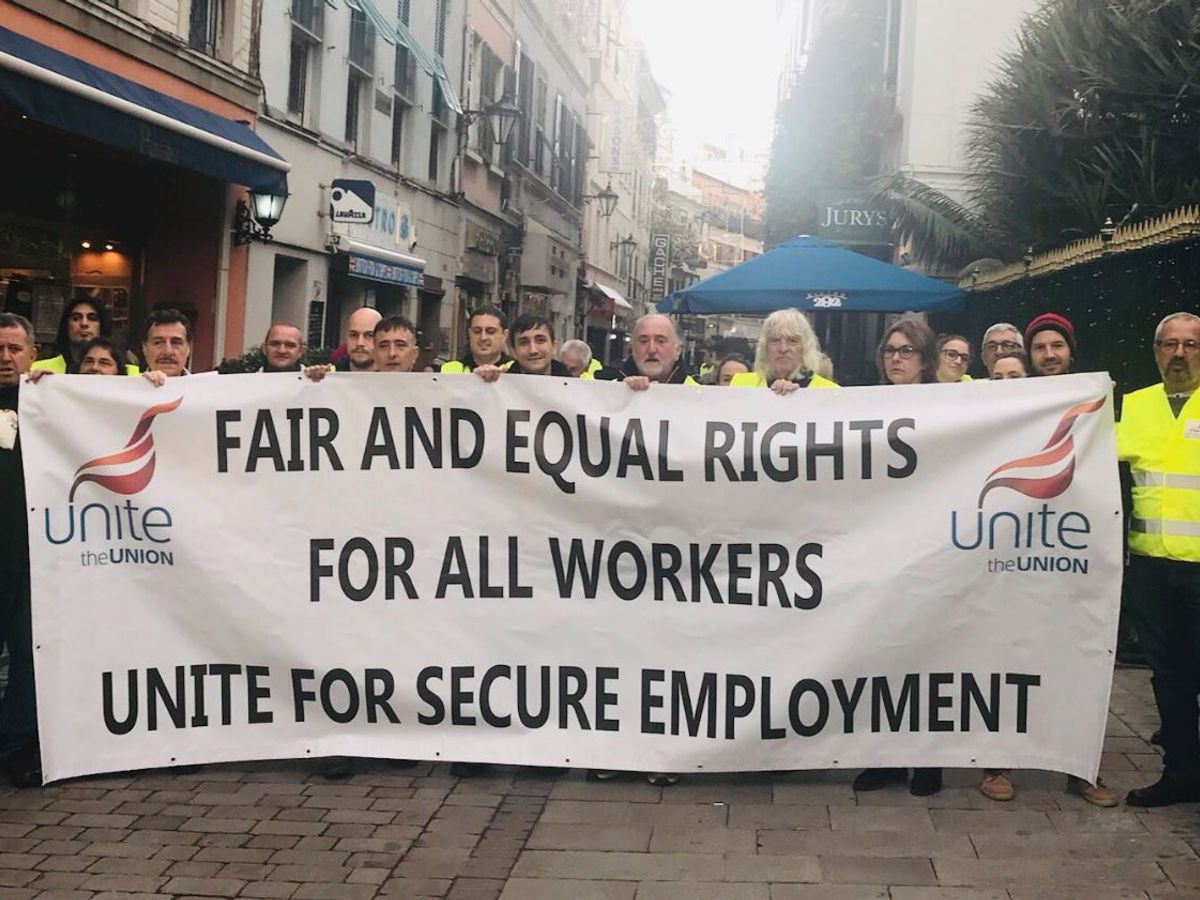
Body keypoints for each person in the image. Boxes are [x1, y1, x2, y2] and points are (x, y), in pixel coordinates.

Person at [853, 317, 941, 797]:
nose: (896, 358)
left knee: (924, 655)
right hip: (878, 550)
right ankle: (883, 757)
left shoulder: (951, 407)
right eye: (890, 350)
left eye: (907, 350)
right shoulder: (866, 404)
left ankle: (926, 759)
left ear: (925, 358)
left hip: (930, 549)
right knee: (879, 653)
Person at [1118, 312, 1200, 807]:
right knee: (1169, 677)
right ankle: (1181, 773)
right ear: (1155, 352)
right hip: (1151, 567)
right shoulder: (1137, 405)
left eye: (1190, 344)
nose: (1179, 354)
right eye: (1170, 345)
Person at [0, 313, 40, 787]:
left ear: (32, 354)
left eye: (15, 349)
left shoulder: (50, 403)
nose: (6, 357)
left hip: (33, 559)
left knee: (29, 657)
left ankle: (15, 747)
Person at [729, 309, 836, 392]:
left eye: (792, 341)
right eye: (775, 340)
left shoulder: (830, 391)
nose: (783, 349)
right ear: (764, 347)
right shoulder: (740, 385)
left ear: (805, 347)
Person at [30, 296, 137, 375]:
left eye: (92, 318)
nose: (84, 324)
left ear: (103, 325)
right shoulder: (36, 369)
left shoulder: (133, 374)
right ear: (66, 325)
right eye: (76, 318)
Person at [603, 314, 695, 391]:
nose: (651, 349)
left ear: (677, 350)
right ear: (632, 349)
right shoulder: (607, 394)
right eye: (643, 341)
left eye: (660, 341)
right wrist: (621, 394)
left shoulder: (698, 396)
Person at [475, 314, 572, 380]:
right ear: (513, 351)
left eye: (540, 340)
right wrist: (479, 382)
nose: (533, 350)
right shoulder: (498, 384)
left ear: (554, 346)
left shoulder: (576, 390)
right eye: (524, 343)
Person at [442, 305, 512, 373]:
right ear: (469, 333)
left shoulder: (515, 369)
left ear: (505, 335)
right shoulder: (448, 370)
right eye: (477, 331)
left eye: (490, 332)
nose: (483, 337)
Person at [140, 309, 194, 385]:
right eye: (158, 342)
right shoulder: (128, 389)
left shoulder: (204, 390)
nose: (167, 351)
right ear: (144, 348)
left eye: (176, 343)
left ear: (189, 348)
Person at [878, 317, 937, 386]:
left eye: (906, 351)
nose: (895, 358)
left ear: (925, 361)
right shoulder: (871, 392)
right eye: (889, 350)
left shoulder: (942, 392)